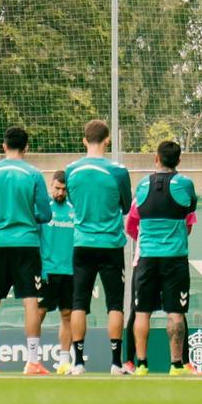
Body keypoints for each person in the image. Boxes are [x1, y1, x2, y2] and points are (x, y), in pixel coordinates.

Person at [0, 126, 53, 375]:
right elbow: (46, 214)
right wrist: (27, 217)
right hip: (27, 245)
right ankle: (32, 362)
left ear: (4, 145)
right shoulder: (34, 174)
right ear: (26, 147)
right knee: (31, 302)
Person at [65, 120, 132, 375]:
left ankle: (78, 363)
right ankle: (116, 363)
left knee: (79, 302)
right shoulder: (118, 171)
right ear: (107, 141)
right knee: (115, 304)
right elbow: (126, 205)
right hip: (111, 244)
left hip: (82, 243)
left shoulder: (71, 170)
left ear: (85, 140)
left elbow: (74, 200)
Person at [130, 141, 198, 376]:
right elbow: (190, 211)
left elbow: (135, 218)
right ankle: (176, 365)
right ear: (178, 161)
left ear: (156, 158)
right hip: (175, 258)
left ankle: (141, 364)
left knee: (142, 312)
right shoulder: (185, 183)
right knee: (176, 313)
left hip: (147, 258)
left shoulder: (141, 184)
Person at [40, 170, 76, 374]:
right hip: (47, 270)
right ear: (51, 186)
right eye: (57, 188)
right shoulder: (43, 209)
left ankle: (64, 361)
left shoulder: (75, 210)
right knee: (39, 311)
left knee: (67, 314)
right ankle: (33, 357)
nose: (60, 192)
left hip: (69, 271)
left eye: (63, 189)